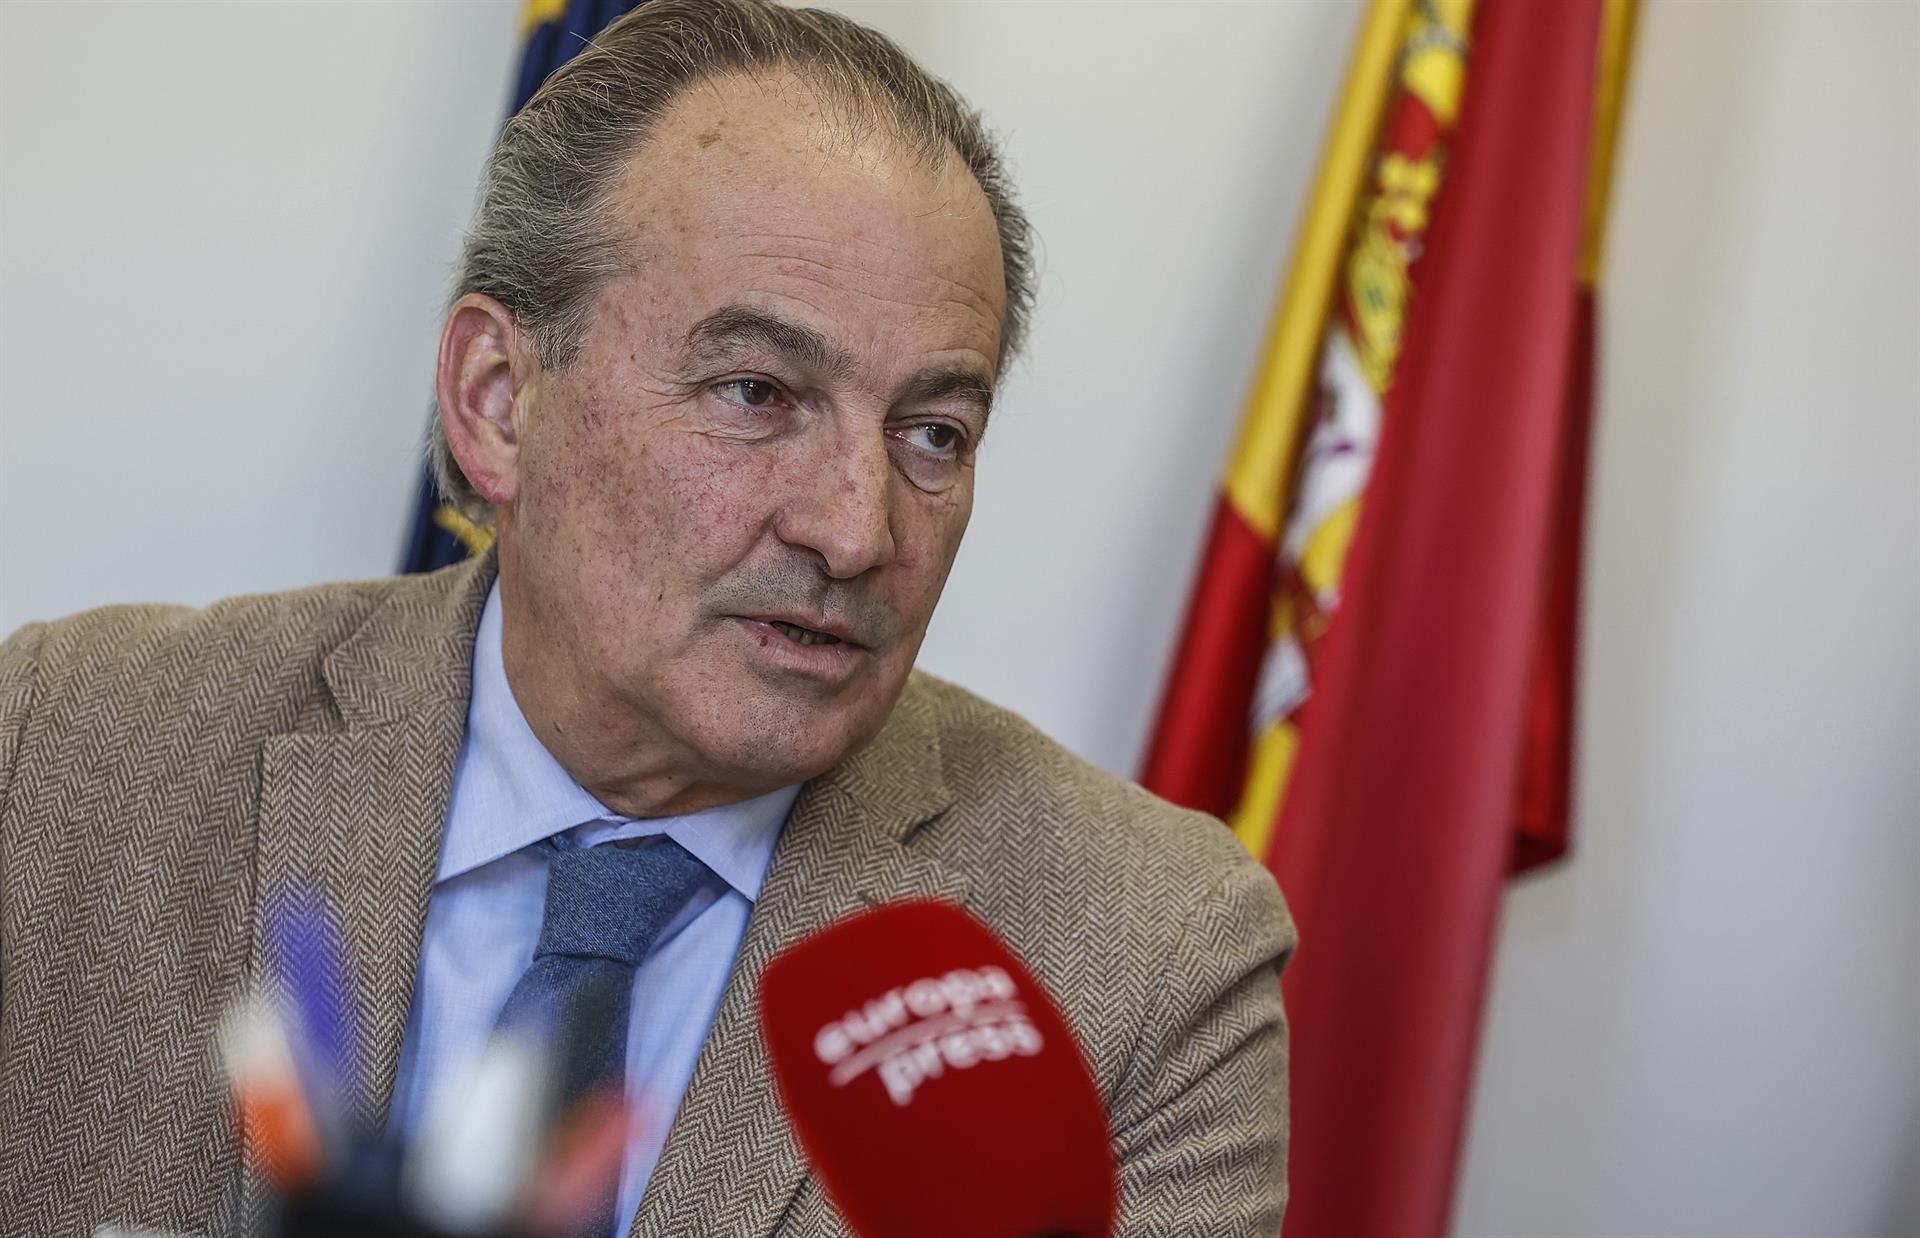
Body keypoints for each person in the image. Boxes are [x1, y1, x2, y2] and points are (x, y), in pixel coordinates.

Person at [0, 2, 1295, 1234]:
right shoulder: (58, 754)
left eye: (933, 433)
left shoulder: (1144, 961)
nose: (856, 531)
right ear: (499, 399)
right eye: (757, 392)